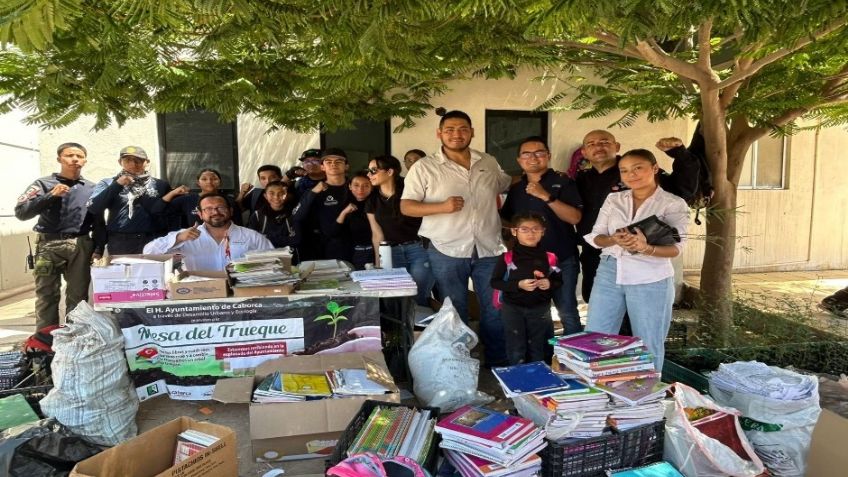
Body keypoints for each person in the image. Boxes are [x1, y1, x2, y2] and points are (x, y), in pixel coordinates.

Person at [401, 109, 512, 367]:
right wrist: (442, 206)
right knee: (456, 309)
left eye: (463, 129)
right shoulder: (424, 167)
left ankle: (498, 362)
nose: (456, 134)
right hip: (445, 249)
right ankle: (460, 363)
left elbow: (505, 184)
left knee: (495, 308)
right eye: (449, 129)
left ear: (472, 132)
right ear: (439, 133)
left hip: (489, 248)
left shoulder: (488, 161)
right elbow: (407, 206)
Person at [583, 149, 689, 372]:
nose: (631, 174)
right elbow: (596, 236)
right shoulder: (614, 199)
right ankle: (599, 392)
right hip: (610, 271)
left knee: (648, 340)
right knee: (597, 336)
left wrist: (646, 248)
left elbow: (676, 248)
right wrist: (614, 239)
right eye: (624, 170)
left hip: (651, 276)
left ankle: (646, 398)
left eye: (637, 168)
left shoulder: (672, 203)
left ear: (654, 168)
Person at [576, 130, 700, 303]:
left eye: (604, 142)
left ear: (617, 147)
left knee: (636, 311)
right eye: (591, 144)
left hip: (642, 257)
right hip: (597, 252)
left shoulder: (639, 172)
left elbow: (683, 188)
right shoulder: (580, 178)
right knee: (596, 302)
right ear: (584, 152)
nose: (598, 147)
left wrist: (680, 154)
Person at [14, 142, 105, 330]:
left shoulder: (92, 188)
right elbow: (21, 213)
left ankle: (74, 337)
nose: (74, 159)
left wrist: (98, 248)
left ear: (85, 160)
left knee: (78, 296)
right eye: (69, 155)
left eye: (79, 156)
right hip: (47, 246)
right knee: (46, 294)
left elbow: (99, 222)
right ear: (59, 159)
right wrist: (50, 196)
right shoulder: (43, 184)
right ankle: (44, 341)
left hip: (80, 245)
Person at [500, 136, 583, 335]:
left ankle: (575, 360)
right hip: (528, 264)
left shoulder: (562, 182)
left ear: (548, 156)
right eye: (526, 154)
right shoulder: (517, 189)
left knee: (567, 311)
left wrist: (546, 196)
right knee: (538, 314)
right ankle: (544, 357)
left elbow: (575, 218)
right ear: (519, 160)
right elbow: (507, 220)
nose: (533, 158)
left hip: (561, 260)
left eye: (539, 153)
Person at [491, 212, 563, 365]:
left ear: (543, 231)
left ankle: (537, 378)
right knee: (516, 346)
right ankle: (518, 377)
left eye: (536, 229)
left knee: (538, 346)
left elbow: (558, 281)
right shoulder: (507, 257)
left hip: (540, 309)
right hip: (513, 309)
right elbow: (495, 282)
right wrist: (518, 285)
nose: (531, 233)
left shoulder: (550, 257)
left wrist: (549, 283)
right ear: (514, 231)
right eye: (524, 229)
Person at [366, 155, 435, 306]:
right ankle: (399, 329)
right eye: (368, 171)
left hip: (419, 248)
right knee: (396, 297)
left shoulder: (411, 191)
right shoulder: (372, 199)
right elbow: (377, 234)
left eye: (373, 170)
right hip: (390, 251)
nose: (369, 175)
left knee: (419, 295)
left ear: (390, 172)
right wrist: (379, 263)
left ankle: (418, 329)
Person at [143, 193, 272, 270]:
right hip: (200, 298)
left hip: (242, 297)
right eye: (208, 209)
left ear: (231, 211)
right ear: (200, 214)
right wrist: (178, 238)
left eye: (220, 207)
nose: (215, 212)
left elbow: (274, 262)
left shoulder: (252, 236)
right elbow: (148, 253)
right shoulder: (185, 236)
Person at [88, 146, 173, 255]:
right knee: (123, 272)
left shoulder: (160, 185)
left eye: (138, 160)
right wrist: (118, 184)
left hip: (154, 240)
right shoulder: (108, 183)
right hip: (121, 242)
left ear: (147, 162)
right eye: (128, 160)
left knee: (153, 272)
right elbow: (94, 208)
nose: (133, 164)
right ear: (120, 162)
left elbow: (171, 214)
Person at [292, 148, 352, 262]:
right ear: (322, 167)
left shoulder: (356, 187)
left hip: (355, 245)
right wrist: (313, 193)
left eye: (338, 161)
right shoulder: (314, 190)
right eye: (328, 162)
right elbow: (297, 216)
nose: (333, 164)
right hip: (323, 246)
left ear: (346, 166)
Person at [168, 168, 241, 229]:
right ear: (198, 183)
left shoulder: (229, 201)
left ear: (220, 182)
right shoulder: (186, 200)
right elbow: (163, 209)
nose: (209, 182)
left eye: (214, 178)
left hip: (225, 240)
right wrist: (173, 193)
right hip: (194, 240)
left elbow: (238, 223)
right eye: (204, 179)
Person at [332, 172, 374, 270]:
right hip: (352, 252)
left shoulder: (376, 204)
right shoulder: (344, 204)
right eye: (356, 185)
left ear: (372, 187)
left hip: (375, 251)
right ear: (350, 186)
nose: (360, 189)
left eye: (366, 185)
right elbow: (334, 232)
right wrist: (344, 212)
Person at [246, 180, 299, 255]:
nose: (276, 197)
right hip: (264, 256)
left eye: (281, 193)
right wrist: (283, 238)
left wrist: (265, 237)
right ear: (265, 196)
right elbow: (252, 238)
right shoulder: (257, 215)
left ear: (287, 195)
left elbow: (296, 240)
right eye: (271, 193)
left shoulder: (294, 214)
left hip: (289, 255)